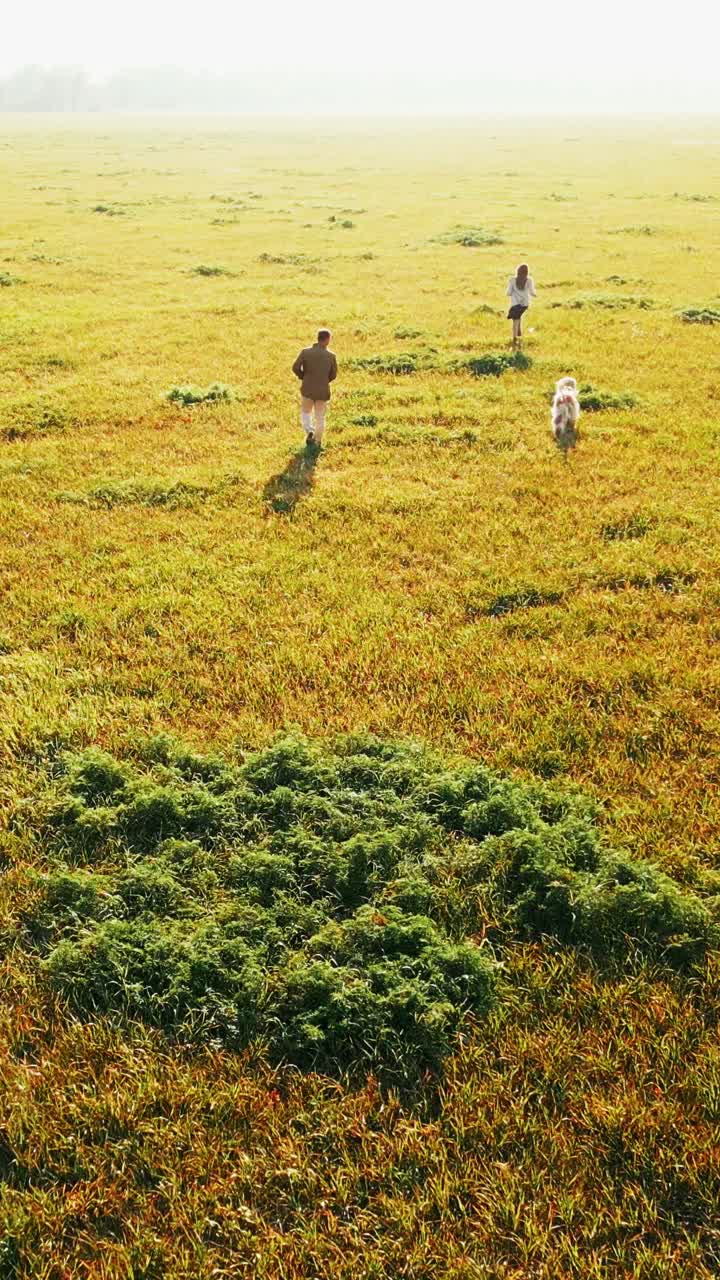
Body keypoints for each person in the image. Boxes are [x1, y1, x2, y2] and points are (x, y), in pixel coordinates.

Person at [291, 329, 337, 447]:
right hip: (323, 391)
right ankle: (317, 442)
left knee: (305, 413)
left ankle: (309, 431)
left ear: (318, 338)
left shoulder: (305, 352)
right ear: (327, 340)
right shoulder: (331, 356)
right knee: (320, 417)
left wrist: (303, 377)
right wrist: (324, 381)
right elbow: (333, 375)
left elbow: (295, 367)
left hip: (307, 389)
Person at [506, 264, 536, 346]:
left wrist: (514, 293)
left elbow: (508, 293)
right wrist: (535, 295)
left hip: (515, 304)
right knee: (518, 318)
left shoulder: (512, 280)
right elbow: (532, 293)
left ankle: (515, 338)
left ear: (517, 271)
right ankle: (518, 334)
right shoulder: (529, 280)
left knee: (515, 320)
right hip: (524, 304)